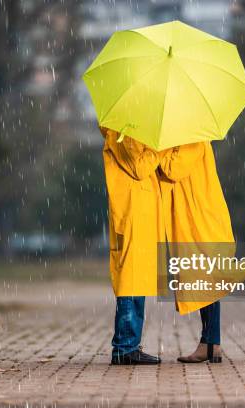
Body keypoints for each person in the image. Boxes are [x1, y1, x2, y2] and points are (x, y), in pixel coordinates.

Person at [158, 142, 245, 364]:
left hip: (202, 220)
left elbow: (174, 169)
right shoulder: (182, 135)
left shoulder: (193, 136)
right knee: (205, 280)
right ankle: (210, 345)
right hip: (191, 220)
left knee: (218, 275)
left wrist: (155, 156)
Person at [100, 127, 163, 365]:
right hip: (133, 212)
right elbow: (140, 168)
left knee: (136, 279)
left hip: (138, 212)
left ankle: (129, 344)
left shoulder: (129, 130)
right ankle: (125, 347)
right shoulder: (124, 132)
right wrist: (158, 149)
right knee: (131, 279)